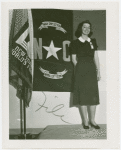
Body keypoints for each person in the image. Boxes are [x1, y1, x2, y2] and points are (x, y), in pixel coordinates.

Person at [69, 20, 101, 129]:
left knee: (93, 96)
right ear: (80, 29)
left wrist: (98, 71)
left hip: (91, 71)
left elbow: (96, 57)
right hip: (80, 71)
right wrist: (80, 70)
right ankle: (85, 122)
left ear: (90, 30)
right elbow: (73, 60)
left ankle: (92, 120)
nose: (86, 29)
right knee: (82, 95)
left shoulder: (93, 41)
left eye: (88, 27)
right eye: (84, 27)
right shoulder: (75, 43)